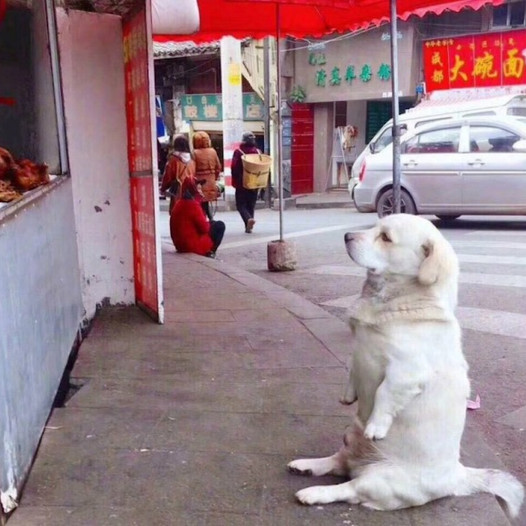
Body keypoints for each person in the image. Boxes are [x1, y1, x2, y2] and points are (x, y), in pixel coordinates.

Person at [170, 177, 225, 258]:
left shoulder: (178, 204)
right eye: (198, 188)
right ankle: (210, 252)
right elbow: (204, 229)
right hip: (191, 246)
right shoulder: (193, 205)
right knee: (220, 225)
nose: (200, 191)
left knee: (213, 223)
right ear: (193, 190)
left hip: (179, 244)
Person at [231, 131, 260, 233]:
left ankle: (248, 220)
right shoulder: (258, 152)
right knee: (250, 205)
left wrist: (235, 180)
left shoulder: (238, 152)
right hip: (255, 183)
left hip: (242, 183)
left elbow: (234, 167)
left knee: (241, 205)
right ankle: (248, 227)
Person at [160, 135, 195, 213]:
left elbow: (167, 176)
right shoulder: (192, 161)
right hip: (190, 193)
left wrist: (163, 188)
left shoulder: (173, 160)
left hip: (177, 192)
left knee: (176, 215)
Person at [192, 131, 222, 221]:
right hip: (211, 181)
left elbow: (192, 169)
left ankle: (205, 219)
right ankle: (209, 218)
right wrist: (214, 178)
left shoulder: (194, 153)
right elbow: (218, 167)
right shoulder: (213, 151)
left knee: (200, 201)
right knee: (205, 202)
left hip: (200, 182)